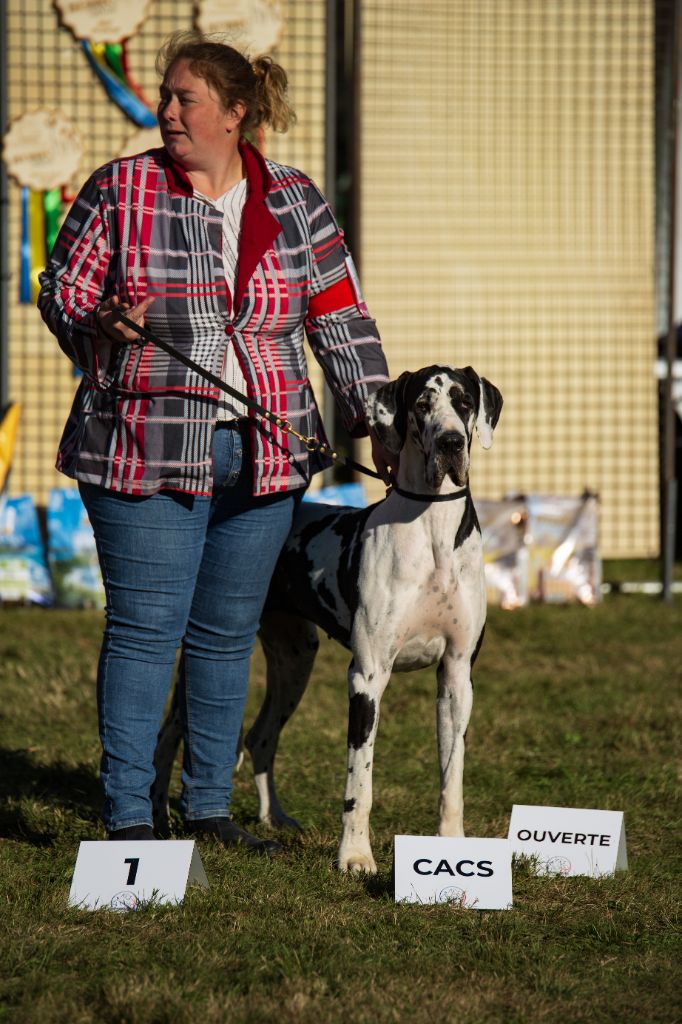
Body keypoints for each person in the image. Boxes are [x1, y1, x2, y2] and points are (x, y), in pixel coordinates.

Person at [38, 31, 392, 851]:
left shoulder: (295, 200)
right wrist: (97, 319)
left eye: (183, 98)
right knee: (146, 627)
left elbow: (340, 315)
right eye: (164, 96)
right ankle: (130, 814)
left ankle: (207, 808)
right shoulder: (121, 188)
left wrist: (372, 416)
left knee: (228, 634)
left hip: (268, 454)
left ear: (235, 114)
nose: (165, 112)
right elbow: (64, 290)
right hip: (144, 444)